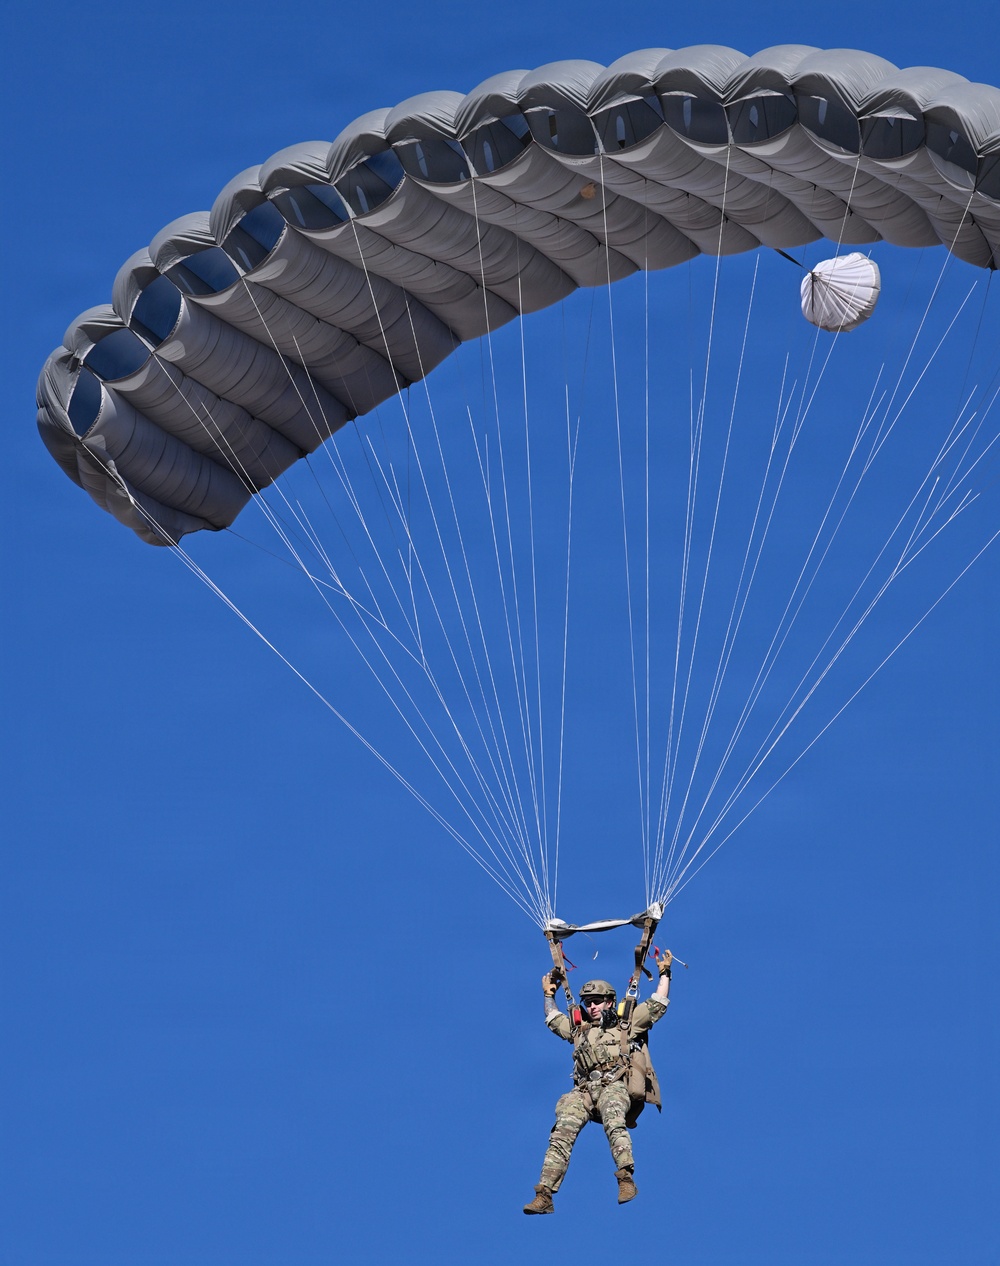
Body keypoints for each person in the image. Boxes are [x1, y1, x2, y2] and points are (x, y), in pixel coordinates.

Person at [523, 951, 672, 1214]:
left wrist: (664, 973)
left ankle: (626, 1178)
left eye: (597, 1002)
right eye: (588, 1002)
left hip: (614, 1085)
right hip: (583, 1091)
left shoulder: (628, 1024)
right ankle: (545, 1194)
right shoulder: (580, 1029)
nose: (591, 1006)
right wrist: (549, 995)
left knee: (614, 1121)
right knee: (561, 1133)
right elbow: (553, 1020)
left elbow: (657, 1003)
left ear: (610, 1002)